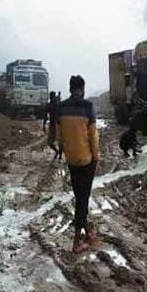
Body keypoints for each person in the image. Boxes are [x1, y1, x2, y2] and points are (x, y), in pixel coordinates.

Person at [56, 75, 100, 253]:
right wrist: (96, 157)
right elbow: (93, 136)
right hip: (86, 160)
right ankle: (76, 242)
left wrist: (65, 151)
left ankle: (88, 229)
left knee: (80, 194)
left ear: (69, 88)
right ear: (82, 88)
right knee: (83, 199)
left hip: (72, 159)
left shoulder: (61, 108)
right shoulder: (87, 106)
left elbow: (59, 136)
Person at [43, 91, 63, 161]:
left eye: (53, 97)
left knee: (60, 142)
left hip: (59, 125)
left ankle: (60, 156)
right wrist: (44, 125)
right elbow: (45, 116)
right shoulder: (49, 106)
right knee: (50, 142)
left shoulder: (58, 105)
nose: (52, 98)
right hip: (52, 125)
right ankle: (57, 152)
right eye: (51, 97)